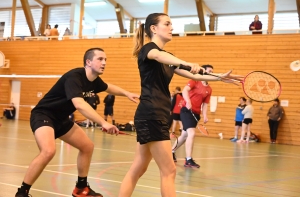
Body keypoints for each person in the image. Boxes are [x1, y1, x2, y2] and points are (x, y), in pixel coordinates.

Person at [118, 13, 242, 197]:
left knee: (138, 169)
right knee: (169, 171)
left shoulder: (169, 58)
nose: (171, 28)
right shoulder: (148, 50)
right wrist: (187, 63)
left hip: (152, 114)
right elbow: (158, 56)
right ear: (153, 28)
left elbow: (196, 76)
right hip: (152, 114)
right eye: (167, 24)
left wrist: (220, 77)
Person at [15, 47, 139, 197]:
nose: (104, 63)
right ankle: (22, 192)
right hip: (44, 115)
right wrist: (103, 122)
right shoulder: (74, 77)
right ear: (88, 62)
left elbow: (108, 87)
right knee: (48, 151)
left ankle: (81, 188)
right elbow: (79, 104)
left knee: (87, 147)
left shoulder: (94, 81)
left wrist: (127, 93)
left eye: (105, 59)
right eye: (100, 59)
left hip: (61, 119)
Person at [171, 65, 214, 168]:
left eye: (212, 72)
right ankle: (188, 159)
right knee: (191, 133)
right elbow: (185, 90)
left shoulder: (209, 89)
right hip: (186, 111)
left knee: (184, 135)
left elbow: (205, 104)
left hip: (196, 113)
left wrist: (205, 115)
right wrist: (188, 101)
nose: (211, 73)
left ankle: (171, 152)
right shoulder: (195, 80)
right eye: (209, 71)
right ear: (203, 72)